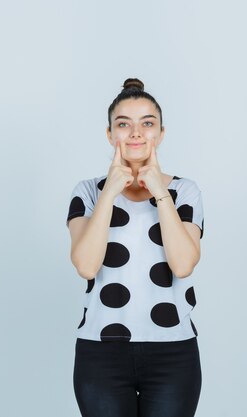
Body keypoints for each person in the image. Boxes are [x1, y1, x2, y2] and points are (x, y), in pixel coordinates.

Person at [66, 78, 205, 417]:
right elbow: (86, 265)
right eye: (123, 124)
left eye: (147, 123)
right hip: (101, 353)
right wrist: (110, 192)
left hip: (173, 352)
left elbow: (183, 264)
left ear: (161, 132)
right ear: (110, 134)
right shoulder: (87, 192)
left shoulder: (185, 191)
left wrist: (160, 192)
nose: (136, 133)